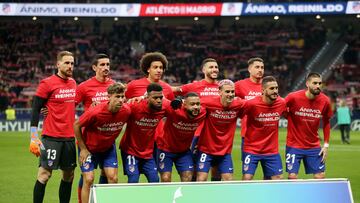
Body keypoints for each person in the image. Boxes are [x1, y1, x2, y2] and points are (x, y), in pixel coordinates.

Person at [29, 51, 76, 203]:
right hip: (51, 137)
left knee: (69, 175)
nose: (70, 66)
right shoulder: (47, 83)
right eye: (67, 63)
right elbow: (36, 108)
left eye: (72, 63)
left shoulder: (73, 83)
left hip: (69, 138)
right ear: (58, 64)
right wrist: (34, 137)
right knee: (44, 174)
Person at [73, 83, 130, 203]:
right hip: (89, 148)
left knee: (113, 178)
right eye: (117, 96)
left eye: (122, 96)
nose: (121, 100)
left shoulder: (126, 111)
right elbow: (76, 125)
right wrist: (83, 149)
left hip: (108, 148)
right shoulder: (96, 111)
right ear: (109, 96)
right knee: (88, 179)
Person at [172, 58, 220, 181]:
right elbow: (173, 91)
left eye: (216, 67)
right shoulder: (195, 86)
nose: (214, 69)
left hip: (215, 135)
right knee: (193, 168)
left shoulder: (222, 88)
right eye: (211, 67)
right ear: (203, 70)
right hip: (197, 133)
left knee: (217, 169)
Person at [75, 53, 115, 203]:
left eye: (108, 65)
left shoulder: (113, 86)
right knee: (87, 177)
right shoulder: (84, 87)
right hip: (88, 140)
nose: (106, 68)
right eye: (102, 65)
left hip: (106, 139)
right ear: (94, 67)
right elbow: (69, 106)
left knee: (110, 175)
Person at [285, 72, 333, 179]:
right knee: (292, 177)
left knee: (320, 176)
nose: (318, 86)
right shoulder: (293, 97)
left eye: (320, 83)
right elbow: (280, 107)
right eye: (315, 83)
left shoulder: (325, 101)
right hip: (294, 145)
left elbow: (326, 122)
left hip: (313, 146)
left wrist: (326, 145)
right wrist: (287, 116)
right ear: (307, 84)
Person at [120, 83, 170, 183]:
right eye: (155, 98)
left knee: (155, 180)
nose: (159, 101)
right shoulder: (134, 106)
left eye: (160, 97)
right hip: (130, 150)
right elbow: (117, 109)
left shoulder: (164, 106)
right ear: (147, 97)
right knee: (133, 179)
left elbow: (180, 107)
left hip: (148, 152)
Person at [196, 79, 244, 181]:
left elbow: (253, 103)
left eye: (232, 92)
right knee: (201, 179)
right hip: (206, 149)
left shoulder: (238, 103)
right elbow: (192, 103)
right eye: (227, 91)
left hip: (225, 151)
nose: (230, 94)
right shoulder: (208, 102)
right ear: (220, 92)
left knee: (228, 180)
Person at [240, 76, 286, 180]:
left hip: (271, 150)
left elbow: (289, 115)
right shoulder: (251, 104)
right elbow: (238, 114)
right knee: (247, 178)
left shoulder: (281, 103)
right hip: (252, 149)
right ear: (263, 90)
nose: (275, 91)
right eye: (272, 89)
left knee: (277, 178)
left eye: (276, 88)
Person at [156, 92, 206, 182]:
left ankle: (184, 196)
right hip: (166, 149)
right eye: (192, 104)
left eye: (198, 104)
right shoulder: (174, 109)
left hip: (184, 151)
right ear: (184, 105)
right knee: (165, 178)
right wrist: (141, 97)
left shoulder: (203, 112)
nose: (196, 107)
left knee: (188, 177)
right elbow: (159, 98)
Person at [234, 57, 264, 153]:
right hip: (248, 134)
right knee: (247, 168)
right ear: (249, 69)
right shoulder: (240, 85)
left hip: (267, 135)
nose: (260, 70)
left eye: (262, 67)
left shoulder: (268, 85)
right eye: (257, 67)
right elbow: (224, 95)